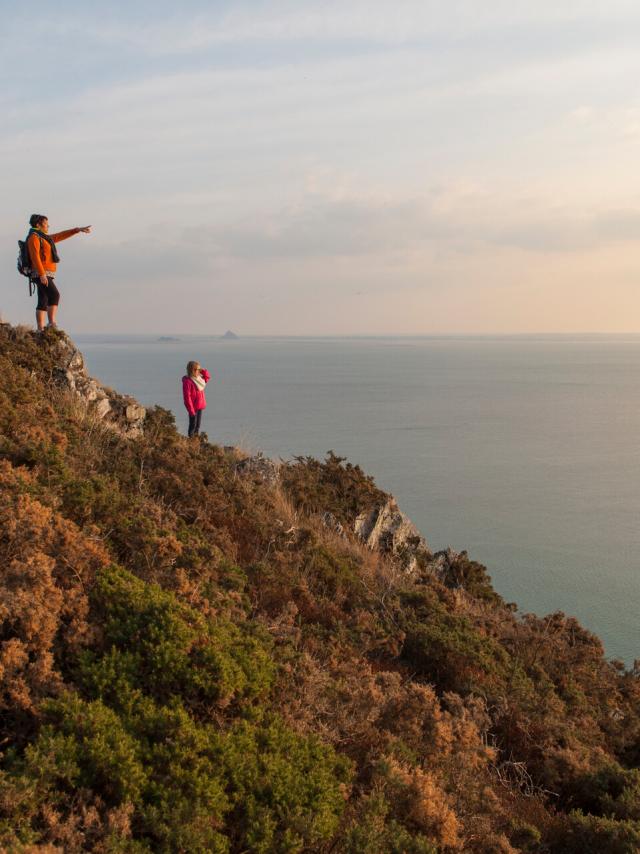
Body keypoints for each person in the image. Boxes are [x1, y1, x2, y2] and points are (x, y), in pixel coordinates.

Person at [26, 214, 91, 332]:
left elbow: (59, 236)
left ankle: (40, 329)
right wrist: (42, 274)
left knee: (43, 300)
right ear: (38, 225)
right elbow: (35, 257)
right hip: (40, 273)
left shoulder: (44, 238)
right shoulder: (34, 237)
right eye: (46, 224)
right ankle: (51, 324)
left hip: (44, 274)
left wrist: (77, 230)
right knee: (55, 295)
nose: (48, 226)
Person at [182, 361, 211, 437]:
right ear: (193, 370)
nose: (199, 371)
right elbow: (187, 398)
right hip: (193, 408)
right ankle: (191, 441)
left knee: (198, 425)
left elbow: (207, 377)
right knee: (193, 426)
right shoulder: (188, 381)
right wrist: (191, 411)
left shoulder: (199, 380)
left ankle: (196, 440)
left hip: (200, 406)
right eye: (198, 369)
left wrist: (202, 370)